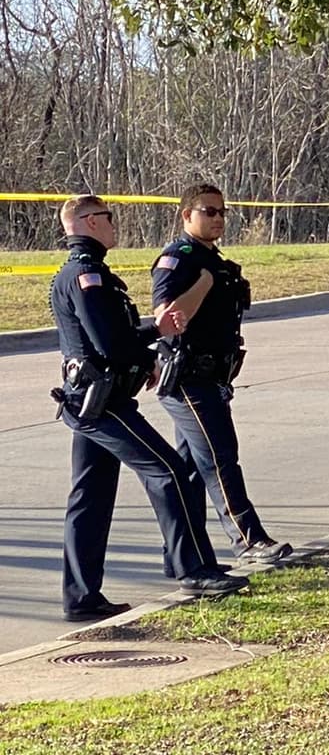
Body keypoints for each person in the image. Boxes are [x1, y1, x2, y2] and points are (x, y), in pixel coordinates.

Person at [50, 195, 249, 622]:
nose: (113, 224)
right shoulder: (87, 275)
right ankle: (194, 569)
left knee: (91, 497)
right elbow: (110, 344)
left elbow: (111, 335)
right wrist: (150, 350)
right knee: (170, 471)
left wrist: (150, 333)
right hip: (103, 404)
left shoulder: (87, 272)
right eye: (108, 217)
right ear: (88, 222)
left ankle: (82, 598)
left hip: (93, 403)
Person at [151, 184, 292, 566]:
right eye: (208, 211)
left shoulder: (216, 260)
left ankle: (183, 556)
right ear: (186, 215)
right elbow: (165, 318)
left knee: (194, 472)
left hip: (213, 378)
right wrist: (203, 284)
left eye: (221, 212)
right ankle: (248, 540)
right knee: (219, 458)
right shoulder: (178, 259)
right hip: (188, 379)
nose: (217, 218)